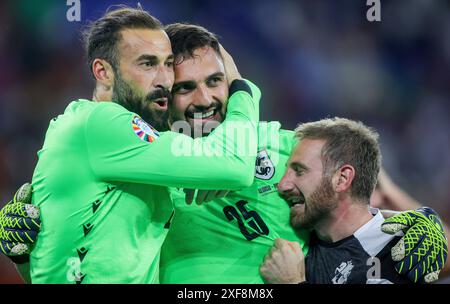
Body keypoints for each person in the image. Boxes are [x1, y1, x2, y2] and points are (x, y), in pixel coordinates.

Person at [0, 23, 447, 284]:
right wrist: (25, 248)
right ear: (162, 97)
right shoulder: (132, 170)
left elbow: (383, 225)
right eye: (185, 88)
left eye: (216, 82)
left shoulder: (287, 148)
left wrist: (431, 232)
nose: (204, 100)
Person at [0, 6, 261, 284]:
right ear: (103, 72)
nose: (164, 80)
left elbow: (71, 268)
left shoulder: (121, 147)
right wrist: (243, 89)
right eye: (147, 64)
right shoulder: (103, 123)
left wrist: (27, 256)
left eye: (168, 64)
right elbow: (236, 166)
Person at [259, 118, 447, 284]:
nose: (282, 184)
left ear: (341, 179)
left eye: (299, 171)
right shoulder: (304, 234)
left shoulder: (398, 249)